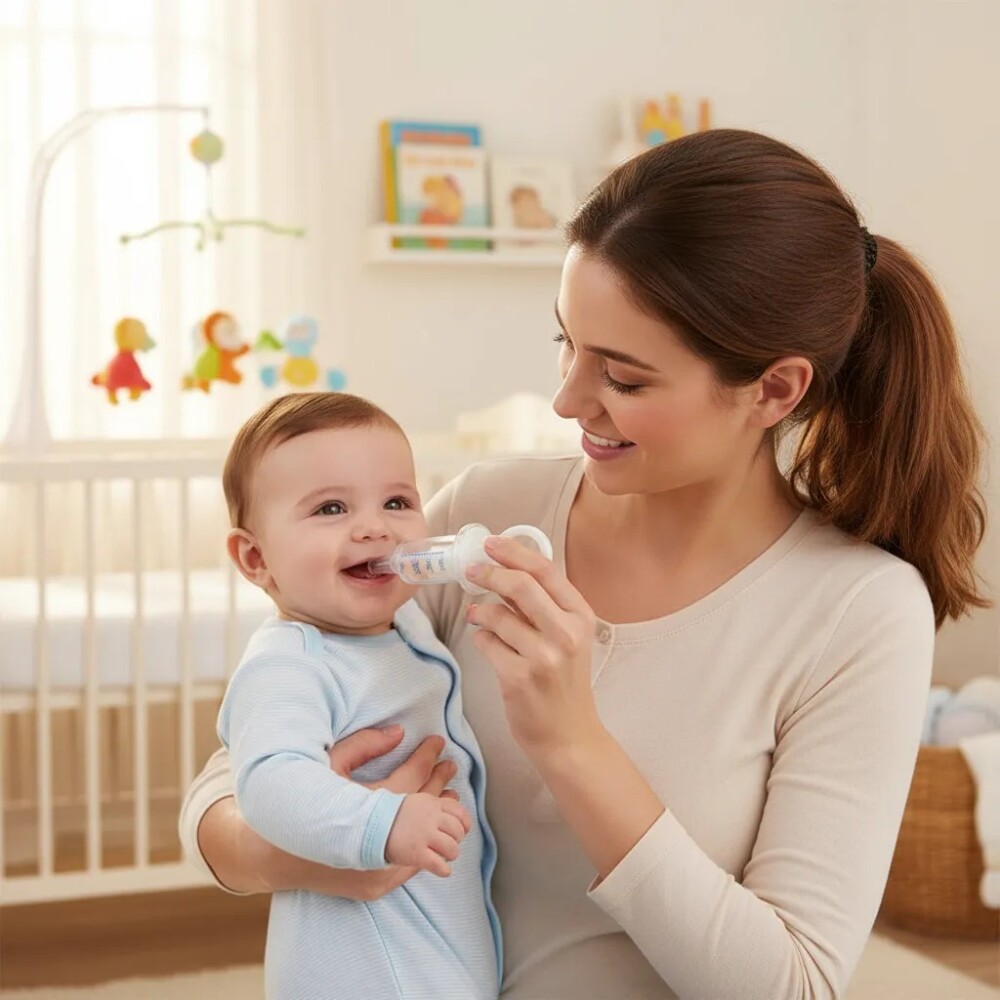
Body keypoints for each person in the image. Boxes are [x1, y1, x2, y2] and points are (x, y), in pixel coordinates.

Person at [180, 129, 988, 999]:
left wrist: (573, 744)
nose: (567, 399)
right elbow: (222, 788)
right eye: (565, 341)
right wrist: (334, 856)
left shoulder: (856, 609)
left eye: (624, 378)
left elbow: (793, 986)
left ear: (775, 390)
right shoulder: (486, 517)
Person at [210, 391, 501, 999]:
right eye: (332, 508)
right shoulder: (289, 664)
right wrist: (382, 822)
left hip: (440, 954)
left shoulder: (405, 626)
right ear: (256, 557)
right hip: (368, 973)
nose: (375, 527)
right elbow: (269, 780)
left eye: (397, 501)